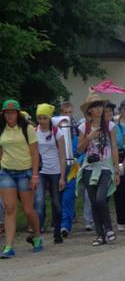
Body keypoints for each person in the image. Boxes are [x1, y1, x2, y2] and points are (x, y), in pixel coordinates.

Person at [0, 100, 43, 258]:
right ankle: (9, 246)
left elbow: (34, 153)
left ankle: (37, 235)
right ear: (3, 114)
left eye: (12, 112)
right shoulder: (1, 130)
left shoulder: (27, 129)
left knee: (28, 209)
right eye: (6, 112)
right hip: (6, 173)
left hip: (25, 172)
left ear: (17, 114)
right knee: (9, 209)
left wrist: (35, 174)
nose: (9, 115)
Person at [76, 93, 120, 245]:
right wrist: (89, 137)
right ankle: (100, 235)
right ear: (89, 111)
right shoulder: (84, 127)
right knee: (94, 201)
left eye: (100, 105)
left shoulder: (110, 126)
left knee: (101, 198)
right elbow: (79, 149)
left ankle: (108, 228)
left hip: (106, 166)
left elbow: (114, 147)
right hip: (89, 167)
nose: (99, 109)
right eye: (95, 106)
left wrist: (116, 169)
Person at [34, 103, 66, 243]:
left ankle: (57, 232)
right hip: (40, 170)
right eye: (39, 118)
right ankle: (37, 233)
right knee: (39, 202)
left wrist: (63, 177)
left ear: (49, 118)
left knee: (56, 203)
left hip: (55, 171)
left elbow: (62, 155)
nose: (42, 121)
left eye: (44, 118)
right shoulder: (34, 132)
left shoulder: (57, 133)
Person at [59, 101, 80, 237]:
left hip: (73, 166)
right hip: (59, 167)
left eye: (69, 113)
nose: (67, 115)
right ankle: (62, 220)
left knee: (68, 196)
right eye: (65, 113)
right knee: (60, 197)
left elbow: (80, 149)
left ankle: (65, 225)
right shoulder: (56, 129)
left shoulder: (77, 128)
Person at [112, 100, 125, 231]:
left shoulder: (121, 128)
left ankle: (122, 219)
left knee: (121, 190)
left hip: (120, 158)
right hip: (106, 159)